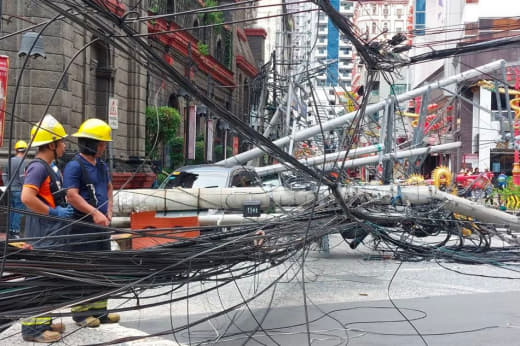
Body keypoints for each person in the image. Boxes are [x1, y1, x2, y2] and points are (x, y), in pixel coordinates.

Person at [20, 114, 73, 342]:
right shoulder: (38, 168)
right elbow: (26, 197)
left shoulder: (49, 167)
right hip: (41, 233)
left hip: (50, 233)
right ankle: (33, 329)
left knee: (49, 277)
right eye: (61, 142)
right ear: (51, 144)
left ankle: (45, 321)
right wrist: (54, 213)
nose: (64, 145)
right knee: (38, 278)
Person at [63, 118, 119, 327]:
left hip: (101, 226)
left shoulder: (102, 165)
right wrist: (95, 213)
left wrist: (109, 212)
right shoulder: (74, 166)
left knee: (102, 266)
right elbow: (72, 195)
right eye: (102, 143)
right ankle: (81, 313)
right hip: (81, 226)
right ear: (92, 144)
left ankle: (100, 310)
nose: (104, 147)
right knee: (84, 267)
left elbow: (109, 189)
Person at [3, 140, 29, 238]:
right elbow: (22, 177)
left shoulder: (9, 161)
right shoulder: (22, 161)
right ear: (25, 150)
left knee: (11, 210)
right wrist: (26, 187)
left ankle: (10, 230)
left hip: (10, 189)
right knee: (18, 210)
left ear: (16, 150)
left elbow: (4, 174)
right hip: (19, 190)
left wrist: (7, 185)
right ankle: (15, 231)